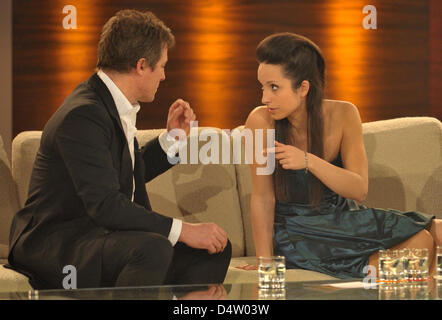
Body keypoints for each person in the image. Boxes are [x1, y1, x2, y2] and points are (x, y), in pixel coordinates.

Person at [7, 9, 231, 289]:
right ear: (141, 65)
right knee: (152, 249)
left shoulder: (111, 104)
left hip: (99, 237)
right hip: (58, 244)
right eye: (161, 66)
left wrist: (172, 139)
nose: (163, 76)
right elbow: (106, 205)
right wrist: (183, 229)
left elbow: (122, 173)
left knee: (214, 245)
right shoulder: (83, 115)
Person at [238, 32, 441, 278]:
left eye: (274, 88)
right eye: (262, 87)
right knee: (421, 244)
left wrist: (308, 160)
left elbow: (358, 189)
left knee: (432, 235)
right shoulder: (260, 122)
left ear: (303, 88)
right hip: (299, 231)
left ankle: (401, 280)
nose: (264, 98)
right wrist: (265, 262)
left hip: (343, 217)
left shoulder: (345, 114)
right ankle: (389, 278)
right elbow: (262, 199)